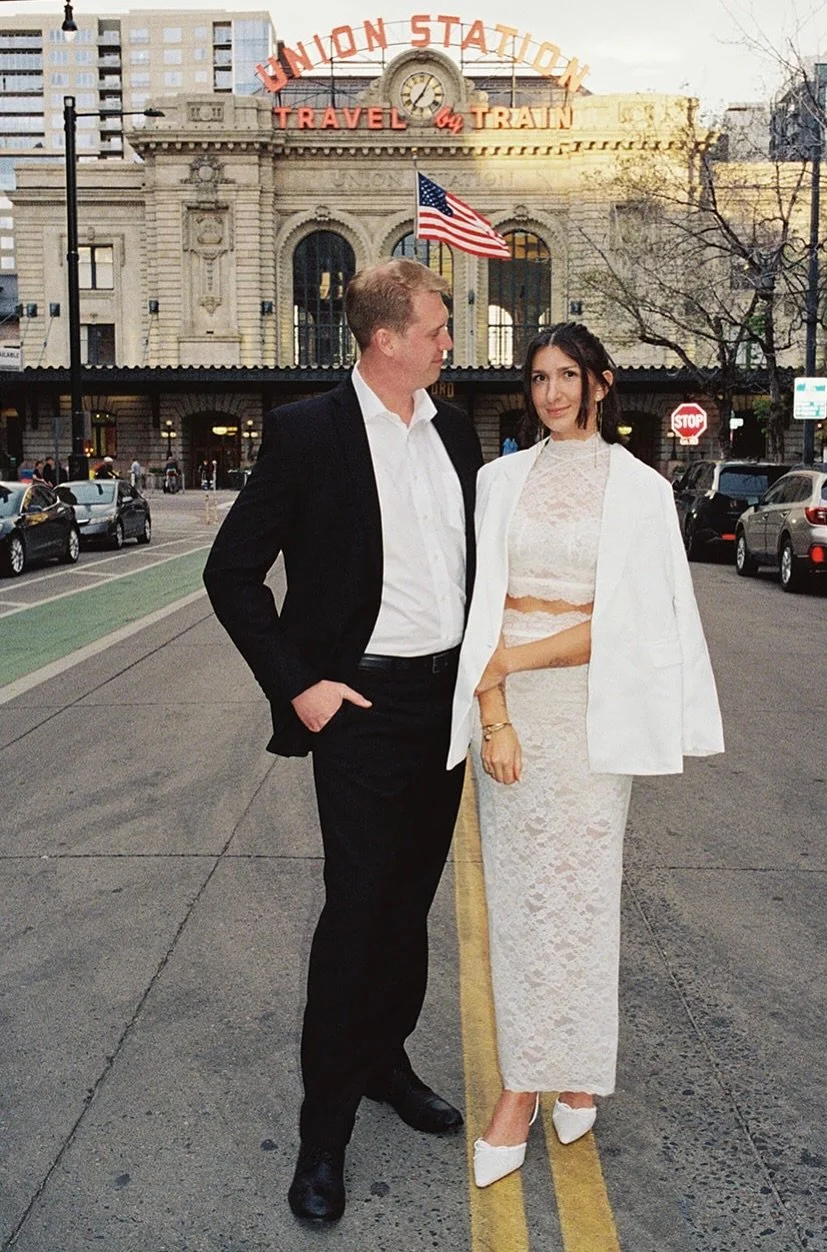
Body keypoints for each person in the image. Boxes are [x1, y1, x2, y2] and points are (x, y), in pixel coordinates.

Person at [203, 258, 483, 1224]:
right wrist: (301, 686)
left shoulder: (452, 427)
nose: (451, 341)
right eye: (438, 327)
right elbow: (230, 572)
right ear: (385, 339)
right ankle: (321, 1138)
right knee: (356, 912)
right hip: (359, 709)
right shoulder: (306, 433)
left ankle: (384, 1063)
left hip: (444, 702)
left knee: (407, 908)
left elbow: (470, 564)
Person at [447, 322, 724, 1188]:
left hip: (587, 710)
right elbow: (478, 609)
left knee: (582, 901)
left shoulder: (639, 490)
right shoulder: (497, 481)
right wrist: (492, 711)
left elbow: (633, 624)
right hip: (512, 712)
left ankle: (566, 1072)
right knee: (519, 901)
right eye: (538, 378)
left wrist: (515, 662)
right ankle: (524, 1087)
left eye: (569, 375)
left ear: (600, 384)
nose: (552, 392)